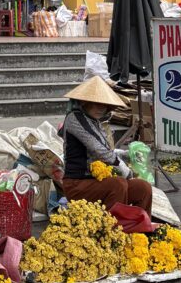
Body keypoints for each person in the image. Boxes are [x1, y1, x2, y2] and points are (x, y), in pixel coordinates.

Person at [60, 76, 152, 214]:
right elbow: (99, 150)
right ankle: (113, 231)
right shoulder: (74, 118)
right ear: (85, 102)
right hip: (77, 184)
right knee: (118, 184)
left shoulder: (96, 121)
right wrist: (123, 168)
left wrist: (126, 155)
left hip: (98, 181)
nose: (101, 108)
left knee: (143, 187)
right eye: (96, 103)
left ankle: (140, 228)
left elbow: (107, 149)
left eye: (104, 104)